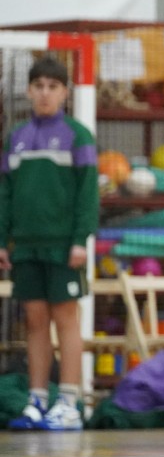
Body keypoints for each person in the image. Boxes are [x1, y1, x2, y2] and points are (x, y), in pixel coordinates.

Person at [0, 56, 98, 431]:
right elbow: (5, 194)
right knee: (34, 321)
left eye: (52, 86)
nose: (45, 93)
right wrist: (3, 240)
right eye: (38, 86)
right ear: (28, 90)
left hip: (63, 246)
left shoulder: (78, 135)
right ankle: (37, 400)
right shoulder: (16, 137)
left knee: (65, 320)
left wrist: (80, 239)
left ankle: (70, 402)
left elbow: (87, 194)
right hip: (25, 246)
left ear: (65, 93)